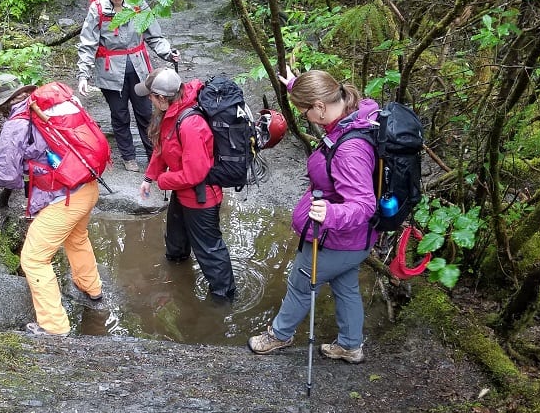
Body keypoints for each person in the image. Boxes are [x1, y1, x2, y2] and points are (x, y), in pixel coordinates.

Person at [247, 68, 378, 363]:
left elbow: (364, 204)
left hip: (337, 238)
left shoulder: (350, 151)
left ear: (320, 107)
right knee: (345, 287)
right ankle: (350, 345)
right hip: (356, 240)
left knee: (301, 283)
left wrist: (331, 213)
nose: (304, 116)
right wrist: (297, 85)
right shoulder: (351, 111)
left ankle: (279, 335)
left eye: (305, 110)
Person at [0, 73, 103, 337]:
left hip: (65, 199)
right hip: (88, 185)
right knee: (77, 238)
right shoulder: (53, 108)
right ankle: (92, 289)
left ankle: (54, 327)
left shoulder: (17, 124)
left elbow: (7, 175)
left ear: (3, 104)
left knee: (33, 259)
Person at [136, 67, 236, 300]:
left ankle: (224, 297)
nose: (149, 99)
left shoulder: (191, 124)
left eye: (151, 95)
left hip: (201, 198)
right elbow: (162, 149)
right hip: (182, 193)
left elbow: (195, 174)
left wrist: (162, 180)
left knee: (210, 250)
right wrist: (149, 177)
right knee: (176, 239)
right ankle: (177, 266)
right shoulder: (171, 112)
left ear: (162, 98)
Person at [76, 0, 180, 173]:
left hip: (140, 70)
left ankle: (154, 155)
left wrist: (168, 53)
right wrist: (84, 75)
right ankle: (128, 156)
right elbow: (88, 44)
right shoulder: (97, 9)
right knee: (119, 114)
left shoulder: (138, 4)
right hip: (110, 73)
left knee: (146, 113)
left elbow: (154, 36)